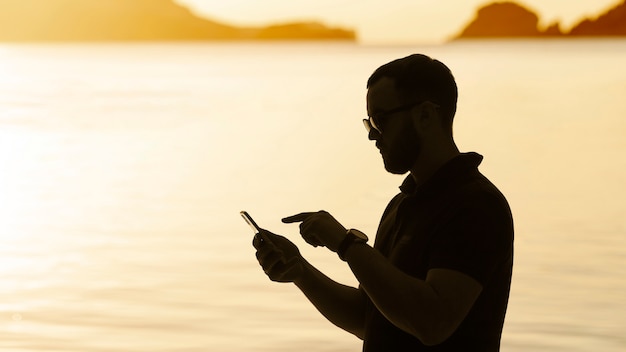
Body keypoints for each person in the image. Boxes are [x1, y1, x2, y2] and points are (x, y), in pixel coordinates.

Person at [252, 53, 514, 351]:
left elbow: (432, 323)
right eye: (369, 122)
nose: (373, 135)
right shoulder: (400, 206)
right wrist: (300, 271)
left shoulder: (477, 206)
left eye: (380, 120)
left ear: (426, 116)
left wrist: (346, 244)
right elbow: (367, 319)